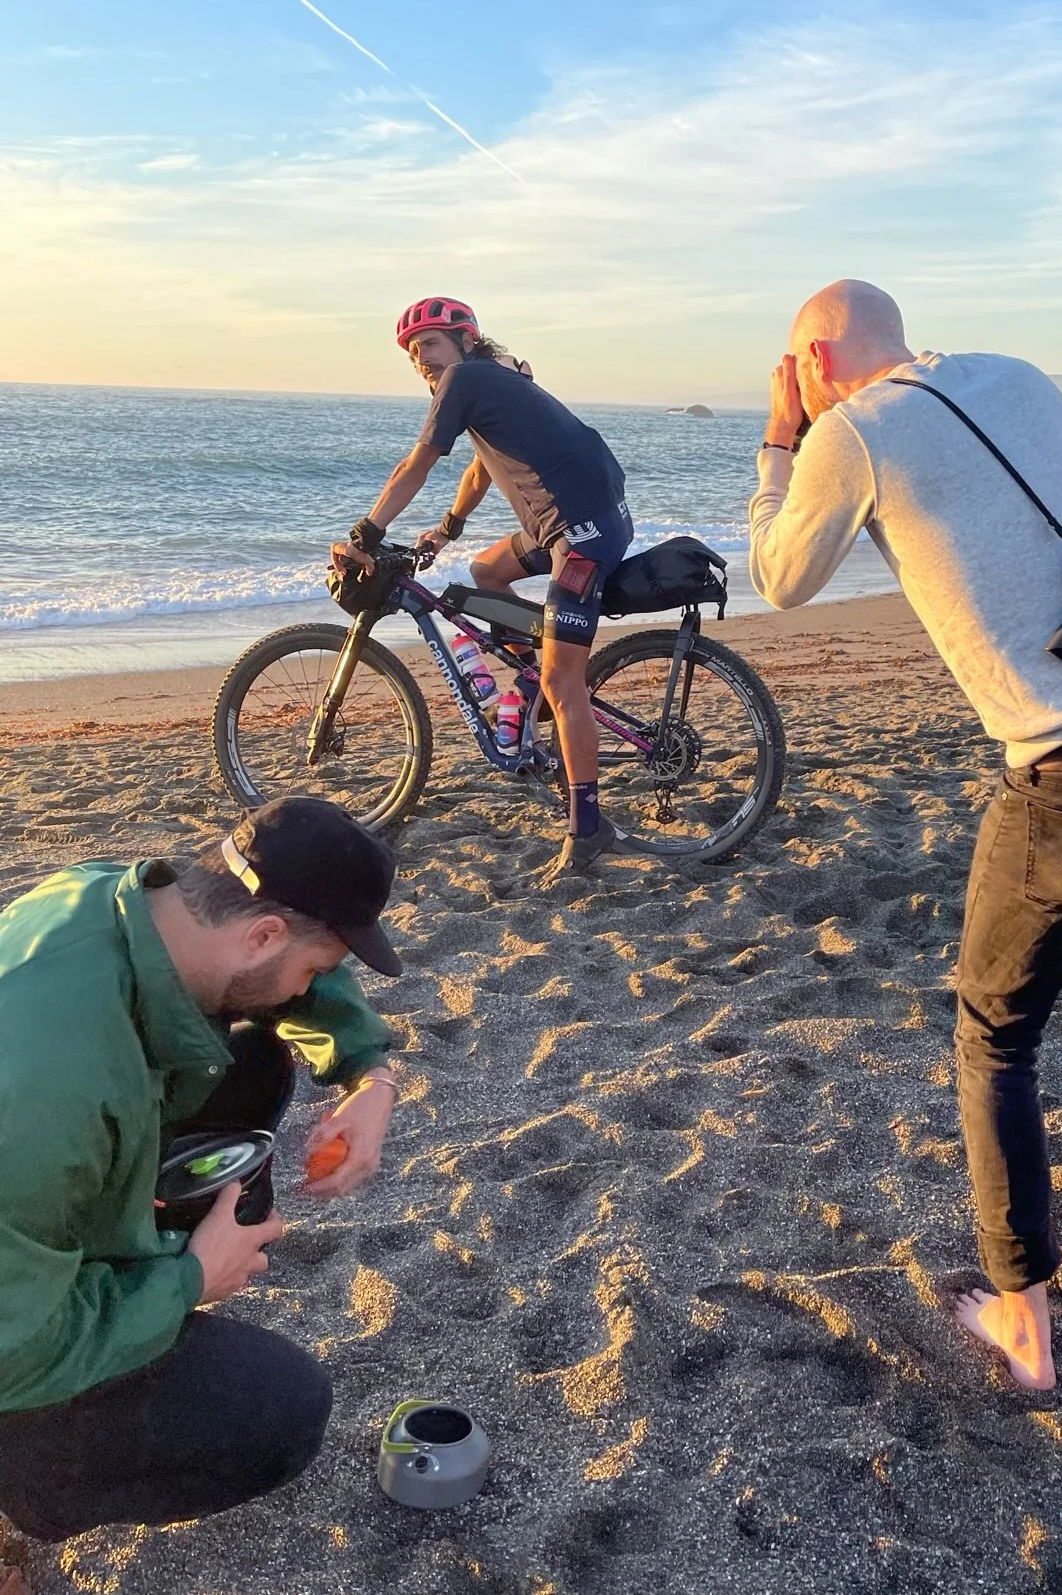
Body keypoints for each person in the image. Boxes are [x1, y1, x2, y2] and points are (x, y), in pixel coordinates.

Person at [748, 279, 1062, 1394]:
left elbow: (782, 580)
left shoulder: (850, 429)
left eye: (793, 359)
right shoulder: (1020, 377)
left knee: (994, 1030)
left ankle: (1022, 1315)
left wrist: (781, 441)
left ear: (820, 354)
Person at [0, 798, 403, 1561]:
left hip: (26, 1203)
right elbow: (13, 1348)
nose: (307, 988)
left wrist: (368, 1073)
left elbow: (290, 977)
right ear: (262, 932)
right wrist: (188, 1279)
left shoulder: (117, 897)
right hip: (9, 1330)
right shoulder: (49, 1098)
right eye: (313, 967)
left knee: (249, 1056)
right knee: (276, 1411)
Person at [330, 295, 634, 877]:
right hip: (581, 520)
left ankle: (588, 827)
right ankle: (534, 678)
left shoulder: (465, 377)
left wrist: (366, 533)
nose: (421, 359)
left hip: (582, 534)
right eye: (414, 353)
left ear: (466, 340)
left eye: (430, 345)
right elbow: (480, 467)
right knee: (488, 573)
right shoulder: (493, 377)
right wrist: (446, 530)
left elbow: (418, 463)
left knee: (565, 679)